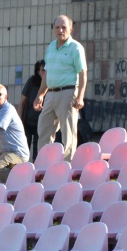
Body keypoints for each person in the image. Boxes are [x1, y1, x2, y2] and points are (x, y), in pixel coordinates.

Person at [34, 15, 87, 160]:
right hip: (50, 93)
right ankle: (43, 168)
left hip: (68, 92)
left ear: (71, 28)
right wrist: (40, 94)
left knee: (68, 133)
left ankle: (67, 169)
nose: (60, 30)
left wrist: (80, 96)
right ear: (53, 29)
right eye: (57, 27)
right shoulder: (51, 46)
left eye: (64, 27)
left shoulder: (75, 47)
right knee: (44, 130)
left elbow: (83, 73)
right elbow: (47, 72)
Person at [19, 60, 46, 159]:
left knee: (37, 152)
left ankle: (36, 171)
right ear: (38, 71)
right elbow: (22, 102)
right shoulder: (32, 82)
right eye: (42, 70)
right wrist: (19, 121)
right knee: (23, 149)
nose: (44, 73)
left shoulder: (51, 84)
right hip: (28, 122)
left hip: (42, 124)